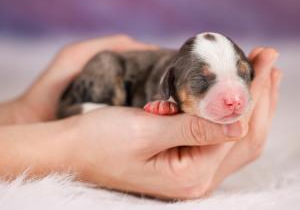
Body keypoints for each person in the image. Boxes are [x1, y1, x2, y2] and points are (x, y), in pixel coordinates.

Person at [0, 35, 281, 200]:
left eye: (242, 74)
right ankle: (81, 108)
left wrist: (26, 111)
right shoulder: (164, 81)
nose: (234, 97)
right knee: (104, 64)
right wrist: (71, 147)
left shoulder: (181, 78)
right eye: (201, 81)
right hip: (112, 78)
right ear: (170, 84)